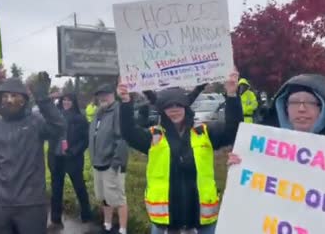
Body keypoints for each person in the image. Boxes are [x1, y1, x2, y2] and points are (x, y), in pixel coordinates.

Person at [117, 71, 242, 234]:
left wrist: (232, 95)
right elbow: (128, 133)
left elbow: (234, 130)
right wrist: (126, 101)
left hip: (202, 221)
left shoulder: (204, 132)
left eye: (178, 105)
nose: (174, 110)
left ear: (185, 107)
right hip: (166, 223)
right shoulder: (154, 136)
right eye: (169, 106)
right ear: (163, 110)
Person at [0, 73, 65, 234]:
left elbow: (58, 126)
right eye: (5, 96)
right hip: (3, 205)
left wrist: (43, 99)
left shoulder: (35, 122)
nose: (9, 100)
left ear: (24, 100)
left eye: (14, 96)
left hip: (31, 204)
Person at [229, 74, 325, 165]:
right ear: (283, 107)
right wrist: (241, 164)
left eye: (310, 102)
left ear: (323, 109)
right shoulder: (263, 147)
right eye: (294, 102)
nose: (301, 109)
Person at [48, 93, 92, 230]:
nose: (66, 102)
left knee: (79, 187)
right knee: (56, 189)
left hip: (73, 158)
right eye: (64, 100)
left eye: (69, 100)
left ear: (74, 102)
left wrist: (74, 151)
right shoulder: (55, 116)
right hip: (56, 157)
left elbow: (86, 140)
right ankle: (55, 219)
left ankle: (87, 215)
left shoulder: (80, 118)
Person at [89, 84, 129, 234]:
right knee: (104, 197)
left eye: (106, 94)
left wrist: (116, 163)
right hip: (98, 164)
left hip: (112, 164)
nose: (102, 97)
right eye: (100, 95)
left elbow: (122, 139)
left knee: (118, 198)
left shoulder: (118, 111)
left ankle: (123, 229)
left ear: (113, 94)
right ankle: (107, 225)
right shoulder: (99, 113)